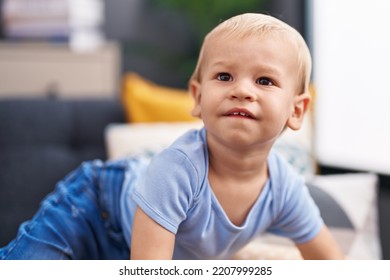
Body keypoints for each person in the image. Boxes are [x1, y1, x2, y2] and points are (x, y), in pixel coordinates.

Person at [0, 13, 344, 260]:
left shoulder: (283, 187)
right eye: (224, 76)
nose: (241, 90)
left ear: (297, 111)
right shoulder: (180, 168)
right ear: (197, 97)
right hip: (94, 208)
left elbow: (331, 264)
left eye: (264, 81)